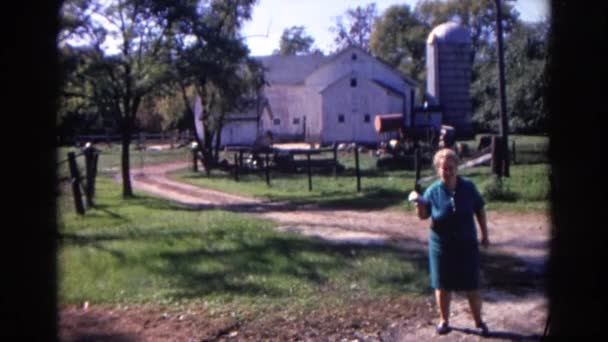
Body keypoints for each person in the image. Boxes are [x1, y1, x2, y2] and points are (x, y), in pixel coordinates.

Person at [412, 148, 490, 335]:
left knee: (472, 284)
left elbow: (479, 210)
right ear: (438, 169)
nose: (447, 171)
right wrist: (419, 206)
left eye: (451, 167)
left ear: (457, 167)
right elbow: (424, 217)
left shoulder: (468, 187)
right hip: (441, 246)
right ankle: (444, 321)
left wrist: (485, 234)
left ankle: (479, 322)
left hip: (466, 244)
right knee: (442, 284)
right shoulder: (432, 191)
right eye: (443, 168)